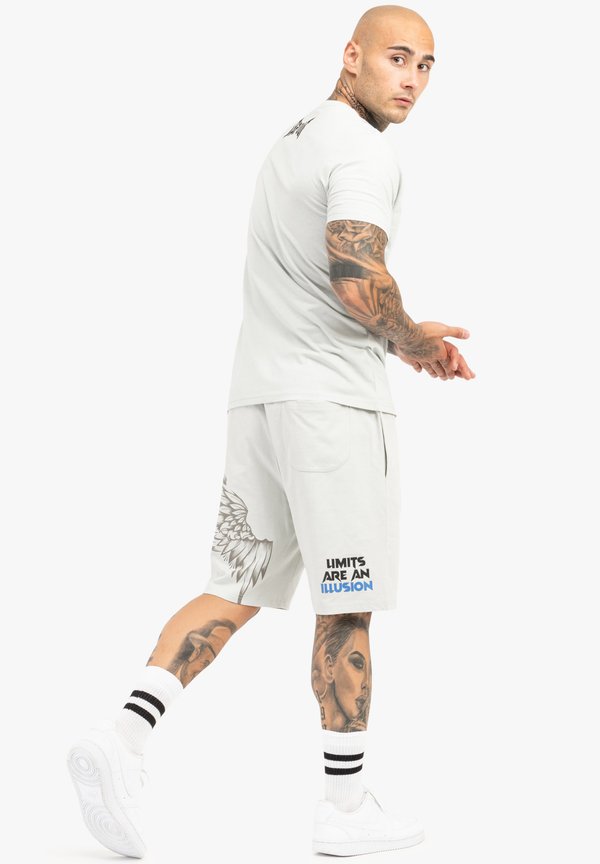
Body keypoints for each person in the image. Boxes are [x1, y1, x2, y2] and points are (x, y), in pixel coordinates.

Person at [66, 3, 475, 858]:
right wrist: (412, 342)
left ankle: (123, 738)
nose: (412, 80)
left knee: (235, 587)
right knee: (347, 602)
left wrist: (401, 336)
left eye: (427, 66)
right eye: (397, 58)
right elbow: (355, 278)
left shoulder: (294, 141)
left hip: (259, 402)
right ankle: (345, 806)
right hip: (331, 412)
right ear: (352, 55)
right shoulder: (361, 150)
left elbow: (320, 279)